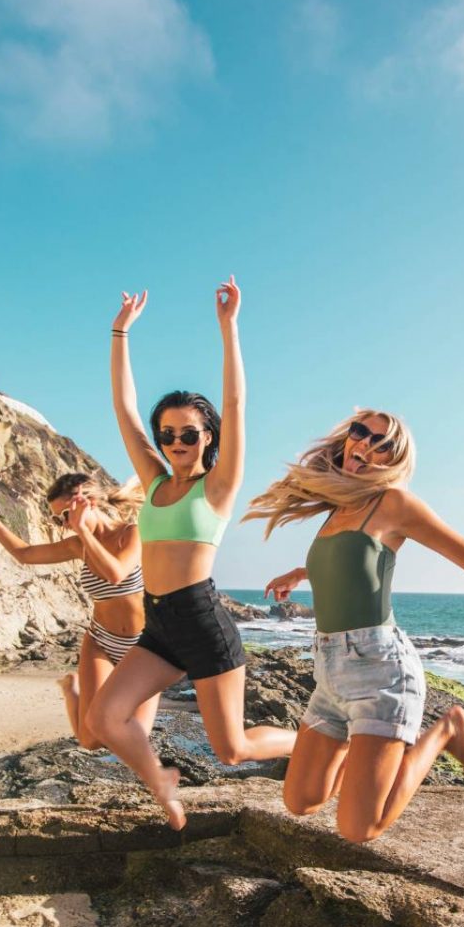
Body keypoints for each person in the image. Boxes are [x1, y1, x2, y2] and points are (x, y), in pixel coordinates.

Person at [246, 409, 464, 843]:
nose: (365, 444)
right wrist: (301, 572)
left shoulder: (393, 504)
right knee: (302, 800)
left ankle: (446, 729)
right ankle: (364, 755)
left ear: (392, 459)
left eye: (381, 443)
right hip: (329, 671)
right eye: (360, 432)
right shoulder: (341, 506)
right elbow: (353, 561)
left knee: (359, 828)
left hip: (380, 672)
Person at [91, 279, 295, 827]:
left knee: (232, 749)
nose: (176, 443)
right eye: (167, 435)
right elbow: (123, 409)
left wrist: (229, 328)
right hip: (159, 623)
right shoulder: (155, 482)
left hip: (202, 623)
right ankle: (163, 783)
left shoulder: (218, 487)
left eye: (188, 434)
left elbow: (235, 403)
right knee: (105, 719)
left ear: (208, 436)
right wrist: (119, 333)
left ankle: (314, 742)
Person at [0, 472, 154, 749]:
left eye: (64, 515)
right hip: (101, 640)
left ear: (86, 502)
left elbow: (116, 573)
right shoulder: (78, 545)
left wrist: (83, 530)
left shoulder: (131, 533)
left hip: (143, 646)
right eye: (57, 520)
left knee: (137, 737)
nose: (64, 525)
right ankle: (70, 689)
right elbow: (24, 554)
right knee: (90, 740)